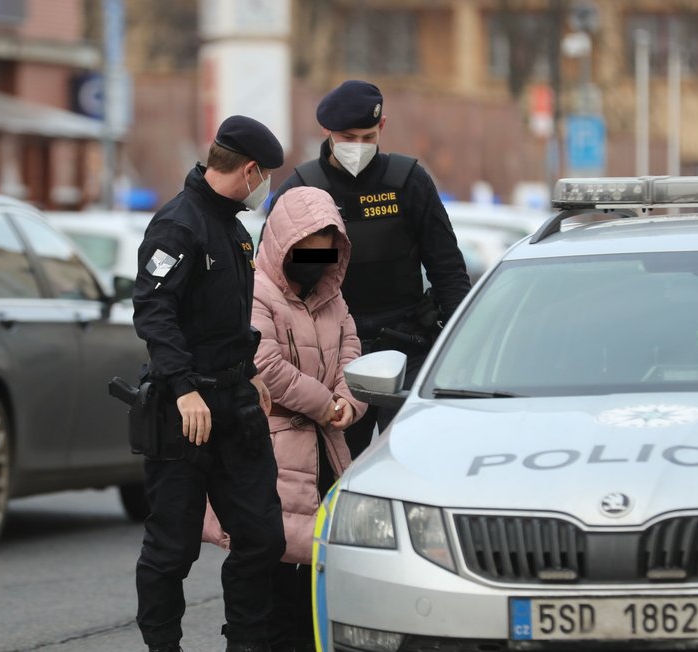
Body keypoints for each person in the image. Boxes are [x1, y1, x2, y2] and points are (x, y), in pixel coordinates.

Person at [132, 115, 287, 652]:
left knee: (263, 537)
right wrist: (182, 387)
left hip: (234, 403)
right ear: (248, 170)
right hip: (185, 411)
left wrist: (248, 373)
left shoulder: (232, 228)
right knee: (172, 549)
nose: (264, 184)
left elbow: (223, 316)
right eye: (264, 174)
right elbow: (155, 311)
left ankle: (245, 643)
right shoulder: (179, 225)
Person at [269, 79, 471, 458]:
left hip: (408, 347)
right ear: (327, 131)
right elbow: (277, 276)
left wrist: (462, 341)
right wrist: (330, 257)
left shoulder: (408, 182)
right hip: (336, 355)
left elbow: (446, 267)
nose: (358, 147)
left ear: (382, 127)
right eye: (348, 137)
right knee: (341, 469)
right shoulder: (303, 189)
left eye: (367, 136)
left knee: (415, 461)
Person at [204, 186, 366, 651]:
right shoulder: (254, 292)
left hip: (325, 455)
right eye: (306, 249)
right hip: (268, 448)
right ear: (283, 243)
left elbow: (353, 360)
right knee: (268, 569)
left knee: (311, 583)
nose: (316, 261)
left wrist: (349, 404)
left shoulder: (334, 300)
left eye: (326, 250)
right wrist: (325, 405)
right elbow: (266, 365)